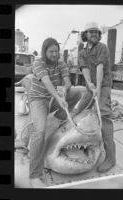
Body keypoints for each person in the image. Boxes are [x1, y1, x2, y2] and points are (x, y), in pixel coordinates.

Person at [26, 38, 82, 187]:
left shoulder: (61, 62)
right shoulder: (38, 63)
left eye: (56, 51)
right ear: (44, 51)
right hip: (38, 99)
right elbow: (46, 81)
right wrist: (58, 97)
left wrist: (66, 87)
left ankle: (58, 118)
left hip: (54, 97)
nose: (55, 54)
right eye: (51, 51)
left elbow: (66, 79)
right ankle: (34, 176)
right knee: (40, 131)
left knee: (77, 93)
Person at [73, 22, 116, 173]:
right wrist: (90, 84)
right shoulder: (82, 51)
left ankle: (111, 158)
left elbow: (100, 67)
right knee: (78, 108)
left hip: (103, 85)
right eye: (91, 32)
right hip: (91, 86)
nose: (95, 34)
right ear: (86, 34)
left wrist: (97, 87)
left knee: (103, 115)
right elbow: (84, 68)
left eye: (97, 32)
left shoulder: (102, 47)